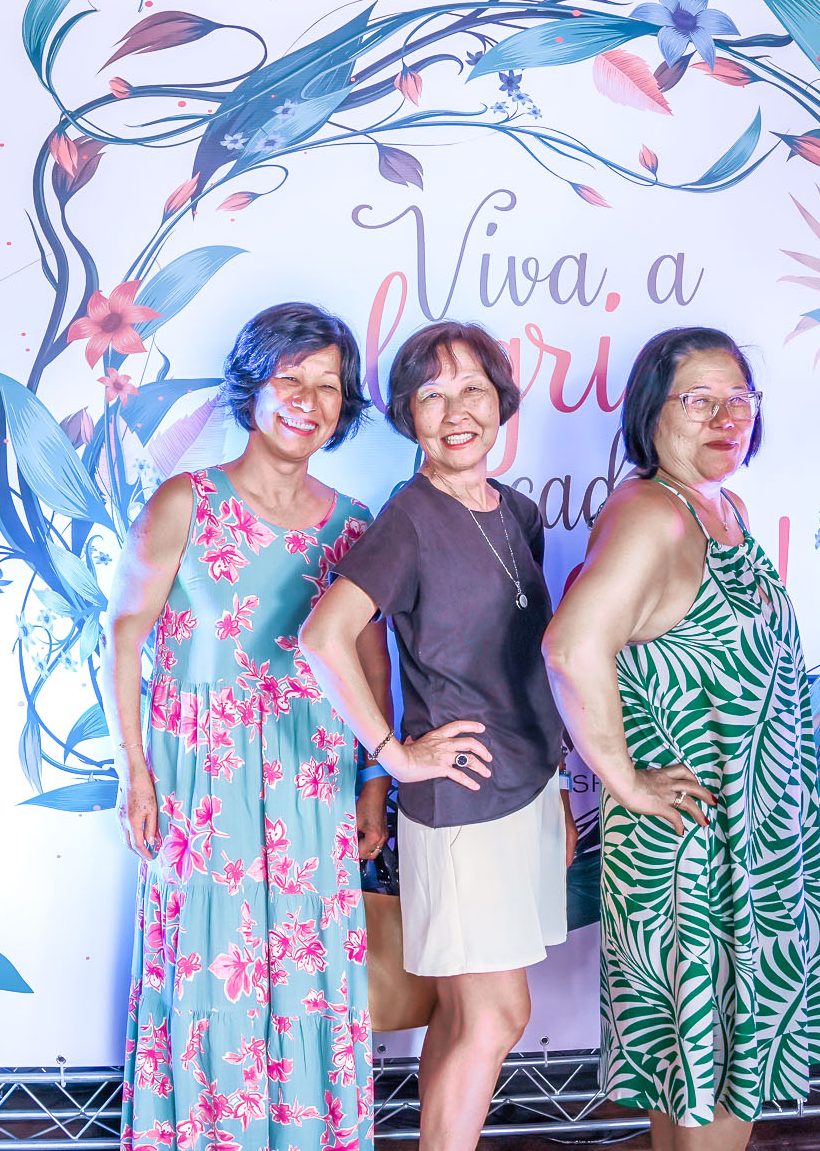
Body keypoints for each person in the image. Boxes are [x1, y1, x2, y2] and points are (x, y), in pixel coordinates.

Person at [541, 327, 820, 1150]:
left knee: (699, 1078)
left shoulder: (721, 508)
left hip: (751, 840)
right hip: (698, 854)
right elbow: (570, 645)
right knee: (711, 1080)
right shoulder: (652, 514)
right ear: (652, 412)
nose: (726, 417)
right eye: (699, 400)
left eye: (739, 399)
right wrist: (625, 778)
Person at [105, 302, 394, 1151]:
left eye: (328, 386)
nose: (308, 400)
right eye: (290, 378)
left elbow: (372, 664)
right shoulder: (185, 501)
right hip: (202, 777)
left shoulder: (353, 523)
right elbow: (121, 636)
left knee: (309, 974)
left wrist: (374, 779)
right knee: (209, 972)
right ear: (252, 387)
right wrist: (134, 771)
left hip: (312, 773)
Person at [299, 320, 573, 1151]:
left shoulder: (516, 511)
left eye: (474, 390)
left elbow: (522, 666)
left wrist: (558, 789)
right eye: (432, 395)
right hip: (460, 807)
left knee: (463, 1013)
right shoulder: (409, 518)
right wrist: (391, 754)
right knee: (497, 1014)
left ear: (502, 402)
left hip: (525, 788)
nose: (457, 412)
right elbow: (324, 636)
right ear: (407, 414)